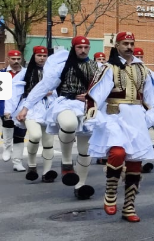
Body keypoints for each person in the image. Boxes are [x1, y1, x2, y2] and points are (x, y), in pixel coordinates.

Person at [85, 32, 154, 222]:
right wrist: (92, 112)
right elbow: (95, 93)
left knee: (135, 162)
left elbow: (150, 96)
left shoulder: (143, 69)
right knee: (117, 153)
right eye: (125, 43)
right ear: (117, 45)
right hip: (115, 116)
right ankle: (111, 191)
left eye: (131, 43)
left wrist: (153, 113)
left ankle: (129, 206)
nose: (129, 47)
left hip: (136, 118)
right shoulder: (109, 68)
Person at [18, 37, 99, 198]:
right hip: (66, 103)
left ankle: (80, 185)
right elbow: (43, 87)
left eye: (86, 47)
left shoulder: (97, 67)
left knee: (85, 150)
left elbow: (106, 89)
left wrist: (92, 97)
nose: (83, 50)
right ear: (73, 48)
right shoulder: (62, 66)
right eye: (79, 47)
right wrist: (25, 107)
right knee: (68, 124)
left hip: (88, 107)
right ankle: (66, 162)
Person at [9, 46, 54, 182]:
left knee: (48, 142)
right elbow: (14, 91)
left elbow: (60, 88)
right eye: (39, 55)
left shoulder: (52, 72)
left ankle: (47, 172)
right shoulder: (25, 72)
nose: (42, 58)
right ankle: (32, 164)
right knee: (35, 135)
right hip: (31, 107)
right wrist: (9, 110)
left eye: (44, 55)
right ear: (34, 56)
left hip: (48, 107)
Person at [0, 49, 24, 165]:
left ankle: (17, 161)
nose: (16, 61)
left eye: (18, 59)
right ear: (8, 59)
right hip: (4, 105)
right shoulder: (1, 73)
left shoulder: (26, 73)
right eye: (13, 59)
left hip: (21, 106)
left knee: (20, 133)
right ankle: (7, 147)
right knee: (7, 122)